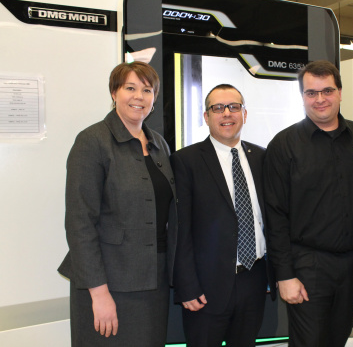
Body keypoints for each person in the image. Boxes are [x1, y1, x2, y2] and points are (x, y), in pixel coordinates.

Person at [58, 61, 177, 346]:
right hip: (109, 283)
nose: (139, 96)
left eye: (146, 90)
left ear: (154, 97)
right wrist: (98, 294)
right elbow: (80, 222)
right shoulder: (92, 141)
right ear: (114, 93)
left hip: (154, 282)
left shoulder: (159, 143)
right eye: (130, 88)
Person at [263, 60, 353, 346]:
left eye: (327, 91)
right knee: (310, 341)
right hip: (307, 265)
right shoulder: (284, 145)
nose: (320, 99)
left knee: (337, 338)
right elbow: (275, 216)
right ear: (302, 96)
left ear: (340, 92)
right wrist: (285, 275)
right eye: (311, 93)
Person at [171, 84, 276, 347]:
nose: (226, 113)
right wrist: (187, 285)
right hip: (205, 287)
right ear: (206, 117)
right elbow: (179, 229)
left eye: (234, 107)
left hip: (254, 279)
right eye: (218, 108)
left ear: (244, 114)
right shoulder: (186, 161)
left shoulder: (262, 157)